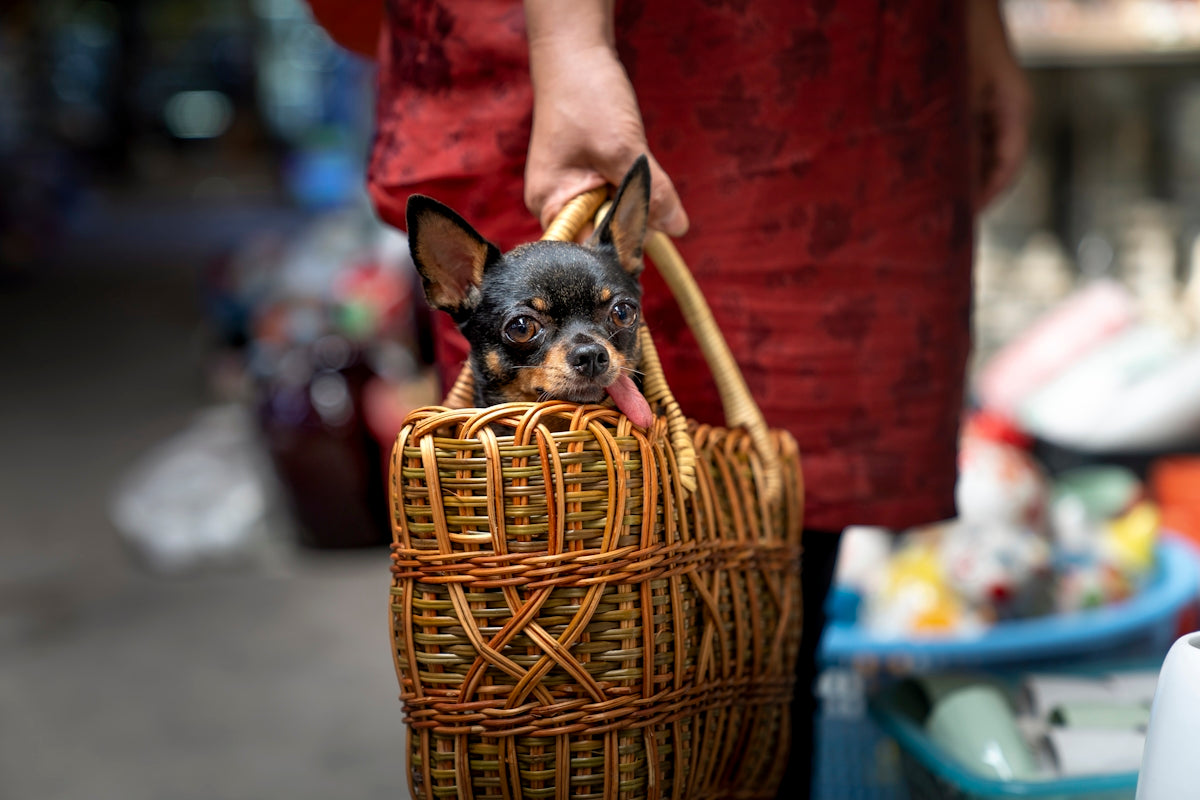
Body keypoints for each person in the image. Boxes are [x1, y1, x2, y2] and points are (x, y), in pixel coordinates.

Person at [309, 0, 1030, 795]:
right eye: (526, 329)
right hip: (568, 58)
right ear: (455, 284)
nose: (586, 351)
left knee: (767, 630)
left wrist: (981, 25)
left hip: (835, 96)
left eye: (616, 317)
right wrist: (573, 46)